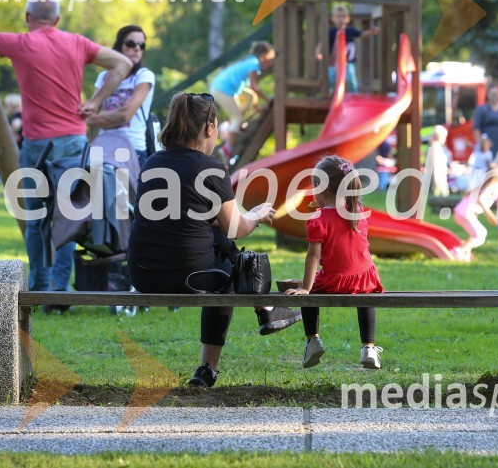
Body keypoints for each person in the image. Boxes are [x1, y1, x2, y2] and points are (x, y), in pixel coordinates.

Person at [0, 0, 133, 294]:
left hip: (37, 145)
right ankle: (59, 289)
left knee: (36, 219)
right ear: (58, 20)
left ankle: (38, 286)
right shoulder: (77, 43)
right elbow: (124, 63)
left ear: (27, 17)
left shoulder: (21, 43)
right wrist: (95, 101)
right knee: (67, 218)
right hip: (74, 142)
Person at [127, 92, 302, 387]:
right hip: (189, 275)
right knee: (231, 276)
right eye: (217, 126)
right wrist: (258, 214)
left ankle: (267, 312)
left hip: (142, 275)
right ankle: (209, 367)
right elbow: (238, 228)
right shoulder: (211, 167)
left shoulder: (152, 163)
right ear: (209, 128)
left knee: (217, 236)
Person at [284, 156, 384, 369]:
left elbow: (313, 256)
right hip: (365, 278)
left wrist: (305, 288)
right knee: (365, 298)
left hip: (335, 281)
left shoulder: (318, 220)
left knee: (307, 293)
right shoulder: (357, 212)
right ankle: (369, 347)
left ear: (321, 190)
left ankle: (313, 340)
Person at [85, 25, 156, 169]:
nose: (136, 48)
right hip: (104, 147)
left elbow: (125, 115)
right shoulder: (104, 77)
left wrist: (99, 117)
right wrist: (112, 117)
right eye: (131, 43)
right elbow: (89, 117)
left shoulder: (143, 76)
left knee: (130, 192)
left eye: (141, 45)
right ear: (119, 46)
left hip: (133, 149)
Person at [210, 41, 275, 155]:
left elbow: (251, 90)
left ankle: (236, 124)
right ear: (263, 56)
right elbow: (255, 87)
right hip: (222, 89)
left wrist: (256, 107)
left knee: (249, 96)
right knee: (237, 117)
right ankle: (227, 149)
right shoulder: (254, 64)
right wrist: (268, 99)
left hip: (218, 86)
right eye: (269, 59)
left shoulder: (250, 61)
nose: (270, 63)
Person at [316, 5, 380, 93]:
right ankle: (331, 94)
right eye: (338, 16)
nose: (341, 19)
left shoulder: (350, 30)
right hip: (333, 62)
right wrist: (318, 52)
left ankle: (354, 95)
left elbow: (361, 34)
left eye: (343, 16)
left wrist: (371, 32)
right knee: (331, 78)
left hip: (348, 62)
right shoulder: (331, 32)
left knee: (351, 78)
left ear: (348, 19)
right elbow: (322, 42)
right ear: (333, 19)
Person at [453, 167, 498, 254]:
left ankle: (465, 250)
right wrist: (489, 215)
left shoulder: (484, 186)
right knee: (480, 234)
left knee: (478, 233)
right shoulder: (489, 188)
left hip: (462, 213)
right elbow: (480, 199)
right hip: (464, 213)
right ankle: (459, 251)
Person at [427, 125, 453, 197]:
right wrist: (437, 186)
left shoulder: (438, 147)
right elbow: (435, 169)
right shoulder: (435, 149)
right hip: (438, 182)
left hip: (441, 179)